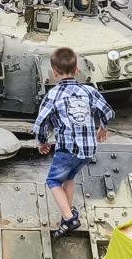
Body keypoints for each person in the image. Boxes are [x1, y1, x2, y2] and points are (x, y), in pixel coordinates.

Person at [33, 46, 115, 237]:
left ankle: (70, 219)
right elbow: (108, 111)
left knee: (53, 180)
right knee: (68, 178)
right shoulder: (88, 91)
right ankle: (65, 216)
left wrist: (42, 142)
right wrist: (102, 128)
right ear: (77, 69)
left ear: (53, 73)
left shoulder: (52, 95)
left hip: (68, 150)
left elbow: (40, 123)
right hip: (88, 150)